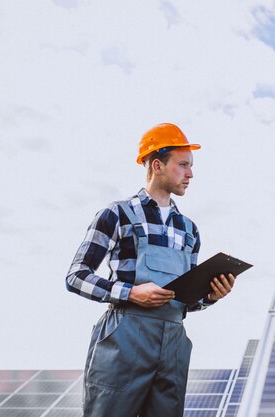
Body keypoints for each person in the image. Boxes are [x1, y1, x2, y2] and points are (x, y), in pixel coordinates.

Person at [66, 122, 235, 417]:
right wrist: (131, 293)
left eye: (191, 166)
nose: (191, 174)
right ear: (157, 165)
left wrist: (210, 297)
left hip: (173, 343)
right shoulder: (116, 214)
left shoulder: (189, 230)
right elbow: (76, 276)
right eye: (183, 165)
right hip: (124, 339)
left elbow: (185, 301)